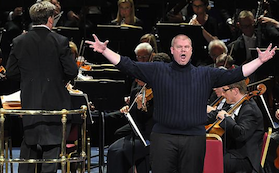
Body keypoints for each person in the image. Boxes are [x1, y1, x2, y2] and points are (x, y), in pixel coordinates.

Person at [85, 33, 276, 172]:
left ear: (191, 51)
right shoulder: (158, 70)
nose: (183, 50)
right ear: (172, 50)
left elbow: (237, 73)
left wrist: (259, 61)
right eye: (179, 47)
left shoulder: (205, 74)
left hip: (194, 140)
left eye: (186, 47)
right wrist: (104, 51)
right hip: (163, 138)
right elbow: (129, 65)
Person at [5, 1, 78, 173]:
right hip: (55, 103)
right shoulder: (60, 41)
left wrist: (29, 80)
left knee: (30, 144)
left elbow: (11, 72)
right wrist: (57, 79)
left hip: (30, 101)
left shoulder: (19, 41)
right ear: (50, 19)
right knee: (51, 152)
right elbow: (72, 71)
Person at [207, 80, 264, 173]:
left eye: (225, 90)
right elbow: (214, 115)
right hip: (231, 152)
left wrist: (226, 119)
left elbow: (241, 134)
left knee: (214, 162)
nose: (223, 94)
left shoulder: (250, 110)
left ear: (235, 91)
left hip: (244, 158)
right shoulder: (233, 104)